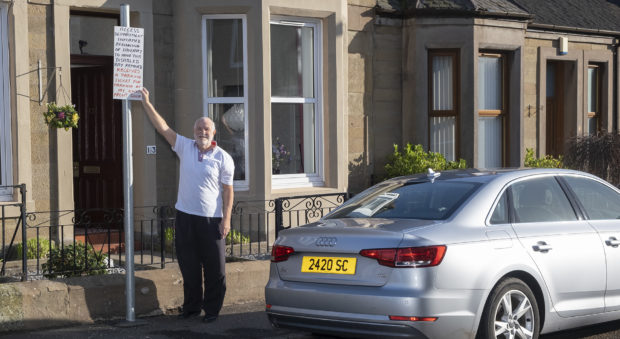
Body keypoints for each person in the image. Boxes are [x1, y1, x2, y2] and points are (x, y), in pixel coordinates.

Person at [140, 87, 234, 323]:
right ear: (194, 132)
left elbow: (228, 191)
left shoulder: (223, 157)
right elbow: (162, 127)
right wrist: (146, 103)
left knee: (216, 270)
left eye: (206, 129)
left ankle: (212, 311)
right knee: (189, 267)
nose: (202, 132)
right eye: (198, 129)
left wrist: (226, 220)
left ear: (213, 133)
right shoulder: (184, 146)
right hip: (185, 217)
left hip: (211, 220)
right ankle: (191, 308)